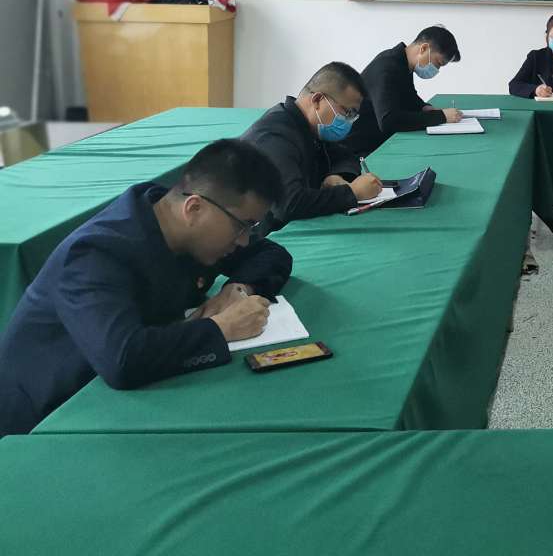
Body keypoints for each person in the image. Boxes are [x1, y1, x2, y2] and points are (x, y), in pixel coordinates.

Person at [0, 139, 290, 436]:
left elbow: (272, 254)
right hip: (45, 417)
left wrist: (238, 288)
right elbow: (122, 360)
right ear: (194, 208)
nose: (243, 240)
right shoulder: (95, 254)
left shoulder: (182, 225)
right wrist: (223, 327)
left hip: (114, 397)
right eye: (242, 226)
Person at [241, 61, 382, 234]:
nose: (349, 121)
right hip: (255, 237)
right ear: (317, 100)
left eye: (354, 115)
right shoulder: (276, 136)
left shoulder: (309, 127)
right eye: (348, 112)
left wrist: (337, 176)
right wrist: (352, 192)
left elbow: (346, 156)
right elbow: (289, 204)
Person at [347, 25, 463, 157]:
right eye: (438, 63)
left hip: (380, 141)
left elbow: (409, 96)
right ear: (424, 49)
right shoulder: (386, 68)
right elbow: (389, 121)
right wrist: (441, 116)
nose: (436, 69)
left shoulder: (401, 62)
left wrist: (424, 107)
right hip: (362, 149)